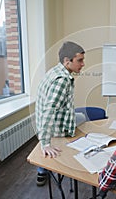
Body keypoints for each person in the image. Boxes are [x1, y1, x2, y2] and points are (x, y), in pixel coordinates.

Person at [35, 41, 85, 186]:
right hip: (55, 128)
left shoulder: (55, 71)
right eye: (79, 60)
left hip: (52, 120)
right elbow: (49, 111)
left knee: (81, 117)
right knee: (85, 119)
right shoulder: (62, 80)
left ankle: (42, 169)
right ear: (66, 61)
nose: (83, 64)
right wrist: (45, 143)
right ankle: (43, 168)